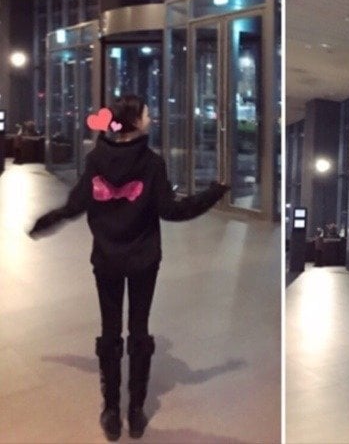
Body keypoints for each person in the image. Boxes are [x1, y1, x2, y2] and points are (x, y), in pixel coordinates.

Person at [29, 95, 229, 441]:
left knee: (110, 330)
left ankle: (110, 410)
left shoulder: (96, 159)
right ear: (135, 122)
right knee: (139, 329)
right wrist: (214, 193)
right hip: (143, 260)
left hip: (106, 259)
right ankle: (135, 411)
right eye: (147, 113)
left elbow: (75, 205)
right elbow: (172, 210)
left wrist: (44, 223)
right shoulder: (152, 163)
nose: (151, 117)